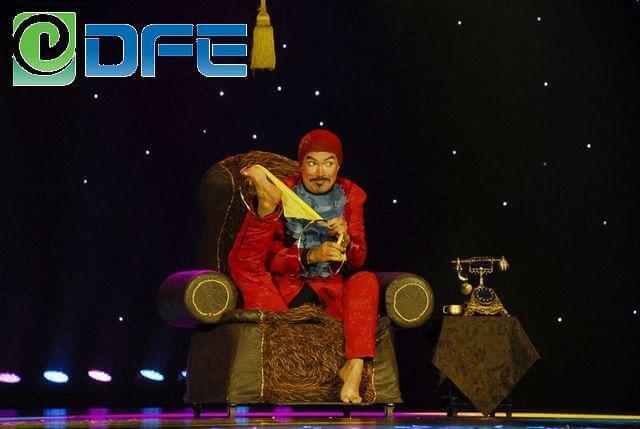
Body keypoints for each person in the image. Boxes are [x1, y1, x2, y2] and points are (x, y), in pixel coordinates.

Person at [228, 129, 379, 403]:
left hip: (329, 297)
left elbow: (358, 260)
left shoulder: (350, 196)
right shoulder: (285, 189)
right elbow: (268, 258)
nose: (320, 172)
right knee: (246, 265)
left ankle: (354, 367)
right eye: (312, 163)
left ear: (338, 166)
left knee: (366, 280)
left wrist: (348, 242)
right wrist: (310, 256)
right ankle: (266, 207)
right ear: (301, 165)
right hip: (284, 294)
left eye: (328, 163)